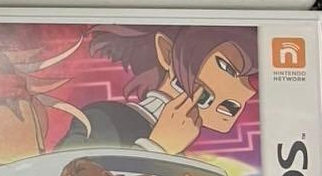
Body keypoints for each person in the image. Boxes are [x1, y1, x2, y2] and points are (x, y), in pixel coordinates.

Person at [57, 26, 257, 155]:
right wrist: (158, 147)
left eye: (250, 79)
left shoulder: (181, 149)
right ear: (167, 53)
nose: (247, 90)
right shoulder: (103, 119)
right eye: (226, 67)